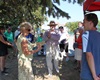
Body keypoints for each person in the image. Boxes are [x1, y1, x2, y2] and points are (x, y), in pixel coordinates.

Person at [80, 13, 100, 80]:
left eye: (84, 21)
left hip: (88, 74)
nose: (83, 24)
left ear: (91, 23)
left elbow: (89, 55)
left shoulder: (86, 35)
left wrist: (94, 76)